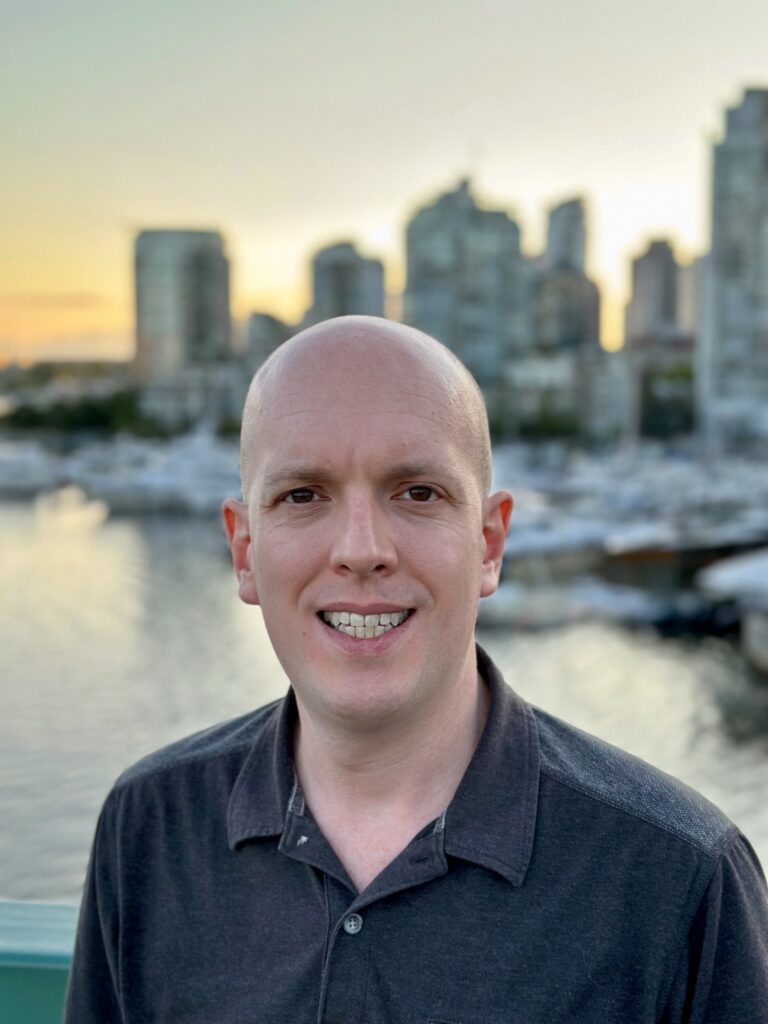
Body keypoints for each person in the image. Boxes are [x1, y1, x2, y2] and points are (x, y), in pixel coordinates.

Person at [65, 316, 768, 1022]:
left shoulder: (681, 879)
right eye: (303, 495)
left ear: (489, 542)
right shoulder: (149, 827)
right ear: (244, 551)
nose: (362, 549)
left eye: (418, 493)